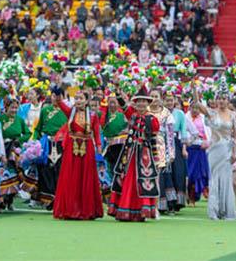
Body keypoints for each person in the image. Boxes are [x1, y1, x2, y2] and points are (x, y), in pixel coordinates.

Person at [108, 92, 160, 222]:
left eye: (144, 101)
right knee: (126, 180)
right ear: (135, 103)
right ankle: (124, 210)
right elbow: (123, 105)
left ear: (148, 104)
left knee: (142, 181)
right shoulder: (132, 114)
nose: (141, 104)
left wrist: (156, 157)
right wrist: (118, 91)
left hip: (144, 156)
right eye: (138, 101)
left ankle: (142, 211)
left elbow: (153, 140)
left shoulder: (152, 120)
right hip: (129, 153)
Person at [53, 90, 103, 220]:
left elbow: (96, 131)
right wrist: (58, 93)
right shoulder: (71, 112)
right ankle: (70, 210)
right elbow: (60, 104)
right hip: (71, 147)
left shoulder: (93, 115)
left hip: (87, 147)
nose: (78, 101)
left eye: (81, 98)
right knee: (71, 176)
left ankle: (86, 210)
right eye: (76, 98)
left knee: (86, 176)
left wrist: (98, 145)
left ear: (87, 100)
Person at [196, 82, 236, 221]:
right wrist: (193, 87)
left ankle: (225, 211)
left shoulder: (232, 115)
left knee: (225, 179)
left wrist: (235, 152)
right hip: (214, 150)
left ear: (228, 100)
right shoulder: (212, 113)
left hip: (227, 150)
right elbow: (197, 104)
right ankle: (214, 210)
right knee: (214, 179)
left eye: (224, 98)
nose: (222, 101)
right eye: (219, 98)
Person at [30, 87, 68, 207]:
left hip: (61, 144)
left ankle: (59, 198)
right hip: (47, 144)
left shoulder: (67, 111)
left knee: (60, 170)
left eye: (58, 96)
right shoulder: (45, 110)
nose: (55, 98)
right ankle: (48, 198)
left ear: (63, 97)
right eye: (52, 96)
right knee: (45, 170)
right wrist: (34, 142)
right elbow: (38, 128)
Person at [0, 97, 31, 211]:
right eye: (12, 107)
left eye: (16, 108)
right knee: (2, 174)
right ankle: (0, 202)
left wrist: (19, 141)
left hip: (14, 150)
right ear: (6, 107)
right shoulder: (0, 119)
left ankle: (10, 201)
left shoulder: (19, 120)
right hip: (2, 149)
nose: (14, 110)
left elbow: (27, 133)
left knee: (15, 175)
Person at [185, 99, 210, 204]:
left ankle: (197, 195)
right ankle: (189, 195)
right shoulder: (186, 117)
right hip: (190, 148)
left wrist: (207, 142)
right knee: (190, 173)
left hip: (201, 148)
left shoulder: (204, 118)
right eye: (193, 108)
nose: (195, 110)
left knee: (200, 173)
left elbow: (209, 132)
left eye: (197, 108)